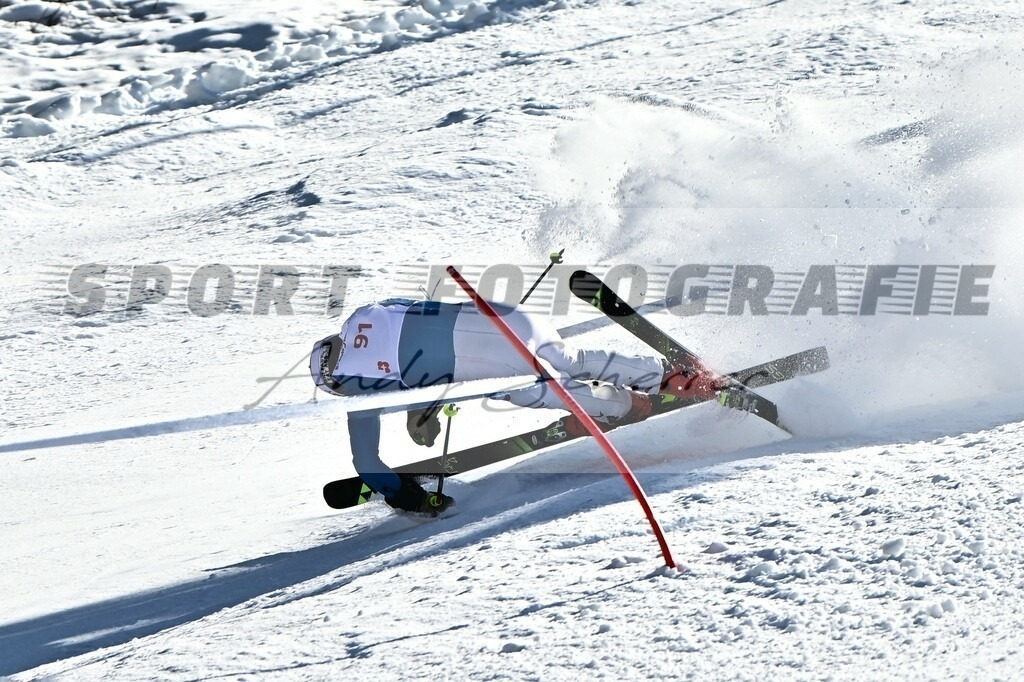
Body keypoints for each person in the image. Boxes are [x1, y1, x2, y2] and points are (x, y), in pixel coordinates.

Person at [309, 298, 720, 516]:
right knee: (567, 358)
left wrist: (407, 499)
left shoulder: (357, 383)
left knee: (526, 390)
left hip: (498, 367)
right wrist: (421, 407)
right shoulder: (367, 313)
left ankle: (623, 405)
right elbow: (417, 337)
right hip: (509, 317)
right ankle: (669, 375)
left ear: (336, 382)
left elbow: (366, 461)